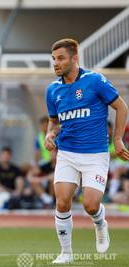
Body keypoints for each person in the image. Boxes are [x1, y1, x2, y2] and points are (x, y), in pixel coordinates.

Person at [44, 38, 129, 264]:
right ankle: (66, 253)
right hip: (68, 153)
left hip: (95, 153)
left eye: (60, 58)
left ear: (74, 58)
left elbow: (121, 106)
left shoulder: (94, 81)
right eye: (53, 59)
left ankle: (100, 224)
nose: (56, 63)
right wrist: (49, 134)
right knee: (62, 202)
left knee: (91, 204)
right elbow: (53, 122)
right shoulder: (52, 90)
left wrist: (118, 139)